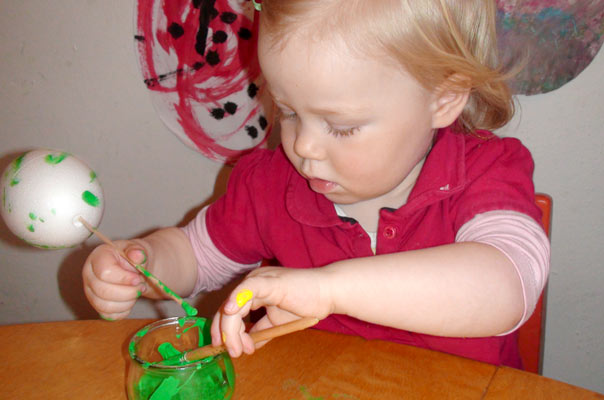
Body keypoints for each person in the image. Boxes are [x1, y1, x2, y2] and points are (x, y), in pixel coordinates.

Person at [82, 0, 550, 368]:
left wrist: (329, 289)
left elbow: (507, 286)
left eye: (341, 127)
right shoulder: (269, 185)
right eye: (287, 112)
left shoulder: (488, 171)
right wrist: (143, 264)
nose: (303, 145)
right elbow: (195, 257)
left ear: (443, 98)